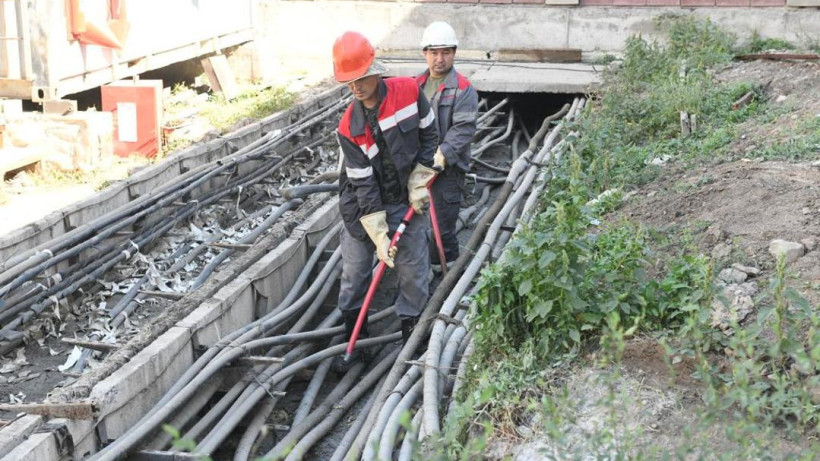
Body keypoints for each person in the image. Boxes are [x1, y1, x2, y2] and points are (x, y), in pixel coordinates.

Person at [332, 31, 439, 368]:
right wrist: (379, 232)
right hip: (362, 205)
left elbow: (429, 133)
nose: (356, 87)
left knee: (412, 267)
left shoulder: (409, 92)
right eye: (348, 81)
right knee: (356, 270)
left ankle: (411, 337)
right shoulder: (349, 127)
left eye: (361, 77)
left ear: (374, 69)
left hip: (406, 195)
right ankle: (356, 336)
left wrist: (420, 180)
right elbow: (363, 186)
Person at [415, 21, 479, 272]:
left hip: (447, 170)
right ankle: (423, 266)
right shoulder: (415, 85)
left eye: (445, 52)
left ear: (454, 53)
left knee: (442, 221)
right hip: (418, 167)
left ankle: (446, 270)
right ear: (425, 53)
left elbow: (462, 130)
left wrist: (441, 156)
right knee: (416, 221)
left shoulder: (463, 89)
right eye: (434, 52)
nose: (439, 59)